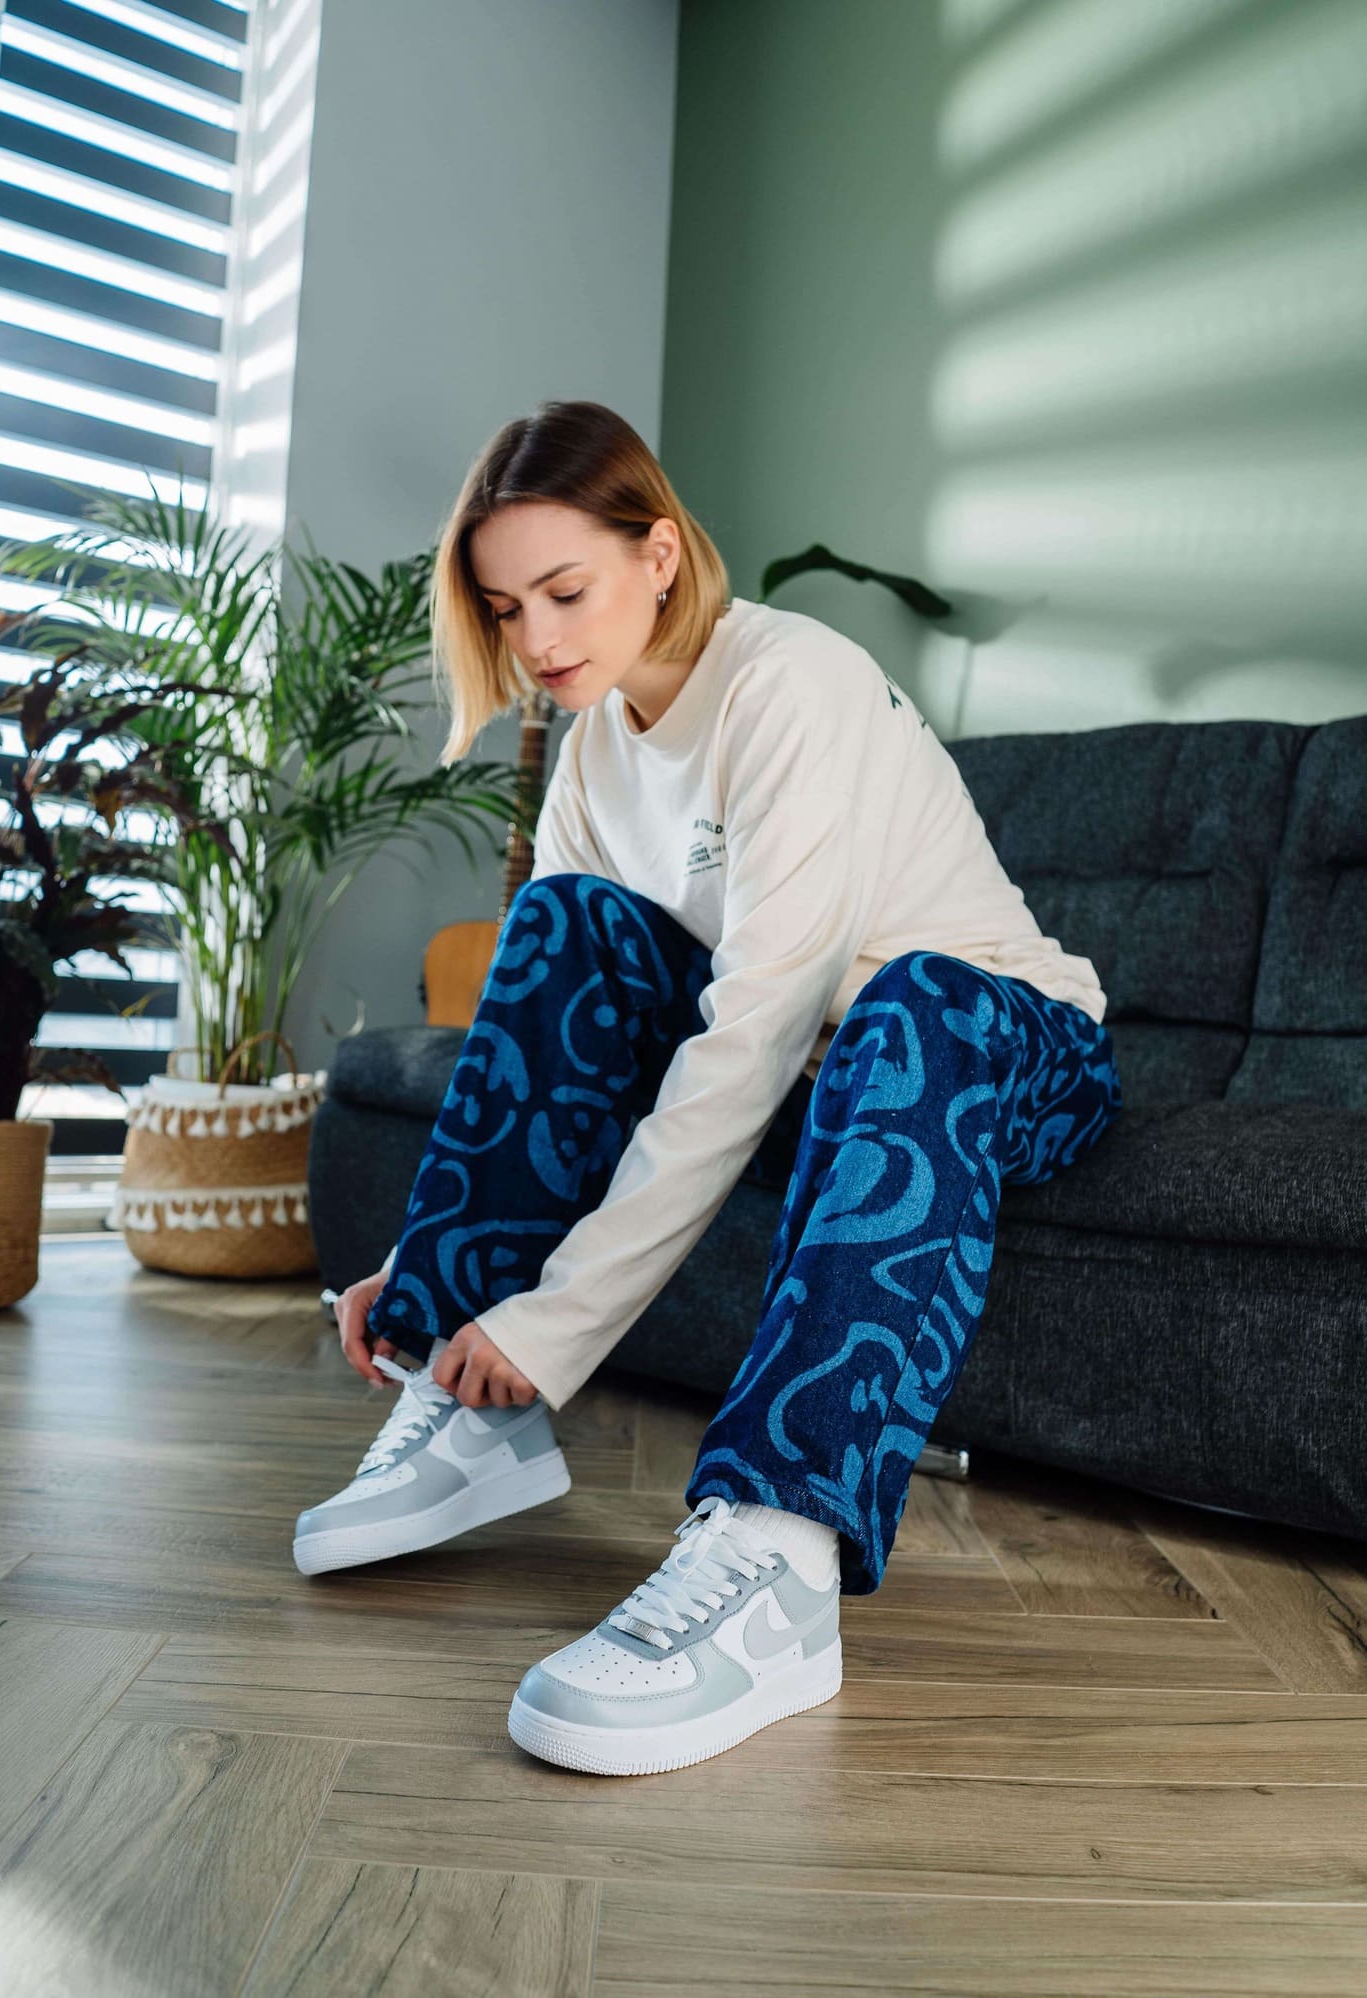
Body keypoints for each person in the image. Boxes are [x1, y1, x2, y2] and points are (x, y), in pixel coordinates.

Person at [292, 399, 1123, 1778]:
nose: (540, 640)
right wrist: (430, 1267)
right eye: (506, 610)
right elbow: (555, 1021)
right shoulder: (592, 745)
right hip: (823, 1066)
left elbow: (751, 1033)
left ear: (660, 554)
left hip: (1000, 1041)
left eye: (568, 590)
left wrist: (559, 1323)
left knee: (912, 998)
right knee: (560, 926)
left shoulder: (793, 683)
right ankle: (466, 1399)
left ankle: (781, 1554)